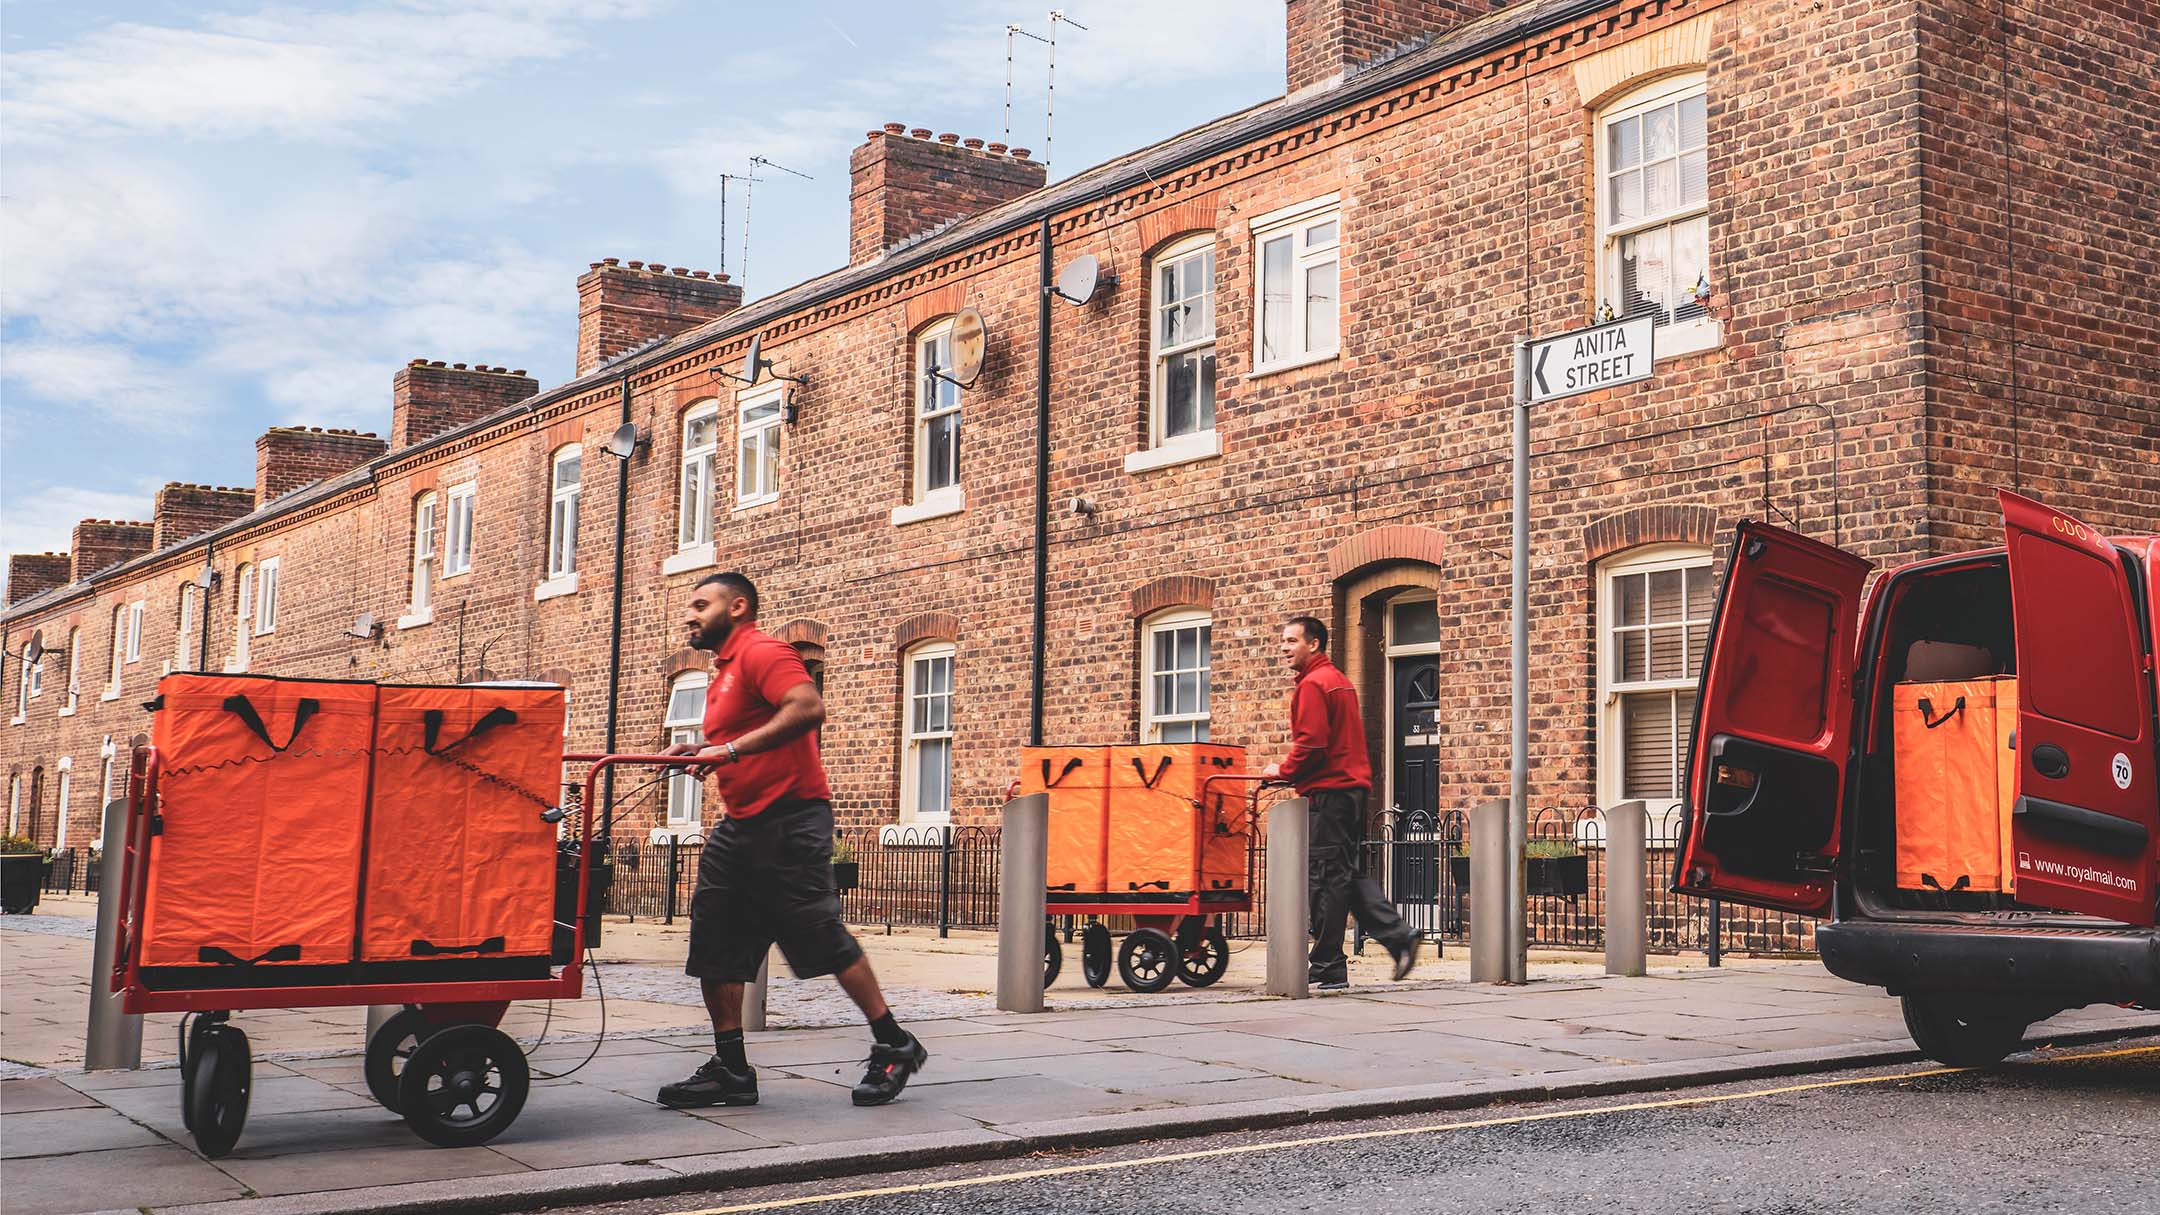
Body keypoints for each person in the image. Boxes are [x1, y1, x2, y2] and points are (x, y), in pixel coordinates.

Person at [656, 571, 928, 1109]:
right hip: (740, 824)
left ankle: (895, 1043)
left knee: (817, 934)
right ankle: (731, 1068)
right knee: (715, 942)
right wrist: (705, 751)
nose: (689, 614)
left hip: (791, 820)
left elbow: (807, 707)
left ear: (736, 608)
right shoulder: (723, 672)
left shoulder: (763, 652)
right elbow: (743, 739)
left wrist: (729, 752)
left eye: (700, 604)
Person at [1260, 614, 1421, 990]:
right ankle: (1397, 936)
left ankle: (1330, 964)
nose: (1284, 648)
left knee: (1325, 879)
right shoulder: (1340, 682)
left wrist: (1281, 770)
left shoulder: (1314, 685)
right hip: (1351, 791)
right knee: (1345, 875)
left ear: (1313, 644)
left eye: (1291, 641)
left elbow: (1312, 743)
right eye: (1282, 641)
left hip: (1329, 793)